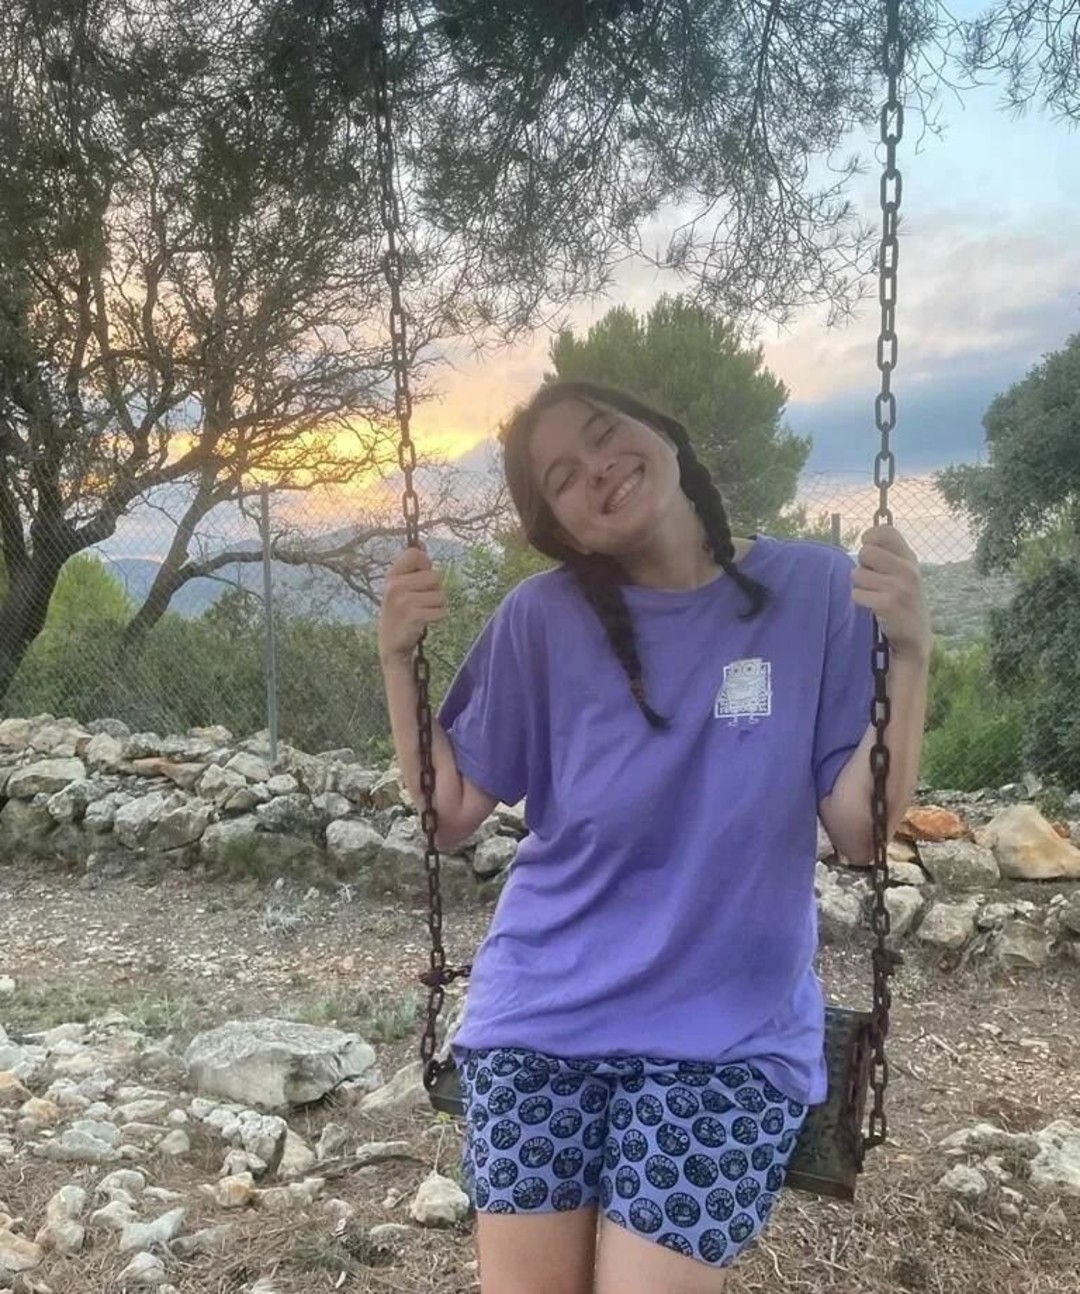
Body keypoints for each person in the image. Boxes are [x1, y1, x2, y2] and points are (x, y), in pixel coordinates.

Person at [378, 379, 931, 1294]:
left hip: (725, 1039)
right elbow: (451, 812)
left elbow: (862, 832)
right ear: (560, 528)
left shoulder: (814, 591)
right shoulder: (541, 619)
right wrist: (398, 660)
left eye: (605, 436)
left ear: (664, 433)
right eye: (562, 478)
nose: (597, 470)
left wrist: (909, 652)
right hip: (540, 1018)